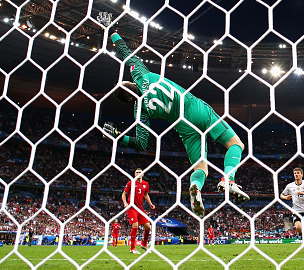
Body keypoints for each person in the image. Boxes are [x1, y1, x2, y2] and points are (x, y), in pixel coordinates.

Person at [104, 32, 249, 218]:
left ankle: (195, 187)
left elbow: (141, 143)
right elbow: (126, 53)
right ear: (131, 83)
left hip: (183, 126)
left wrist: (118, 136)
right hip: (195, 108)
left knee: (200, 169)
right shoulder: (141, 74)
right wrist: (114, 35)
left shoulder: (140, 110)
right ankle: (229, 180)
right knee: (236, 144)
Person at [280, 167, 304, 254]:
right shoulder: (290, 186)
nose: (296, 175)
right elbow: (281, 195)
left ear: (302, 175)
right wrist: (285, 197)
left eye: (298, 173)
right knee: (298, 227)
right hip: (297, 211)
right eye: (295, 173)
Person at [122, 168, 155, 254]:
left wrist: (150, 204)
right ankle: (132, 248)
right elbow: (124, 194)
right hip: (131, 207)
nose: (139, 173)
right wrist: (125, 203)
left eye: (140, 172)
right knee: (135, 225)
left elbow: (146, 195)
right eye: (137, 172)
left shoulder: (145, 184)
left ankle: (144, 244)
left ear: (143, 174)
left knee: (148, 227)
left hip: (140, 208)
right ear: (135, 174)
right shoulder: (130, 183)